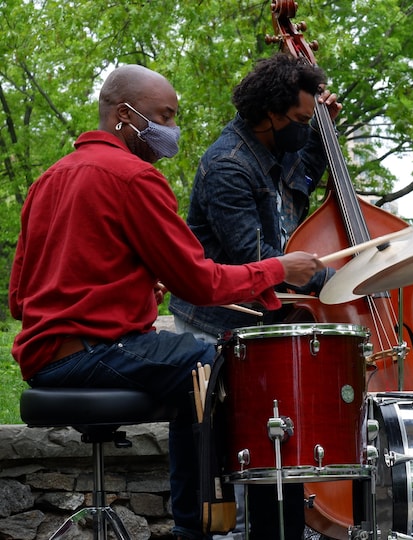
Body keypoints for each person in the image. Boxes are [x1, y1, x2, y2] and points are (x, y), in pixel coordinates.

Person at [8, 64, 324, 540]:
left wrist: (130, 287)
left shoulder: (47, 181)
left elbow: (19, 299)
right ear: (124, 116)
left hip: (44, 361)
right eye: (165, 116)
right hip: (93, 353)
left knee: (190, 371)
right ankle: (246, 531)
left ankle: (193, 525)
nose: (172, 131)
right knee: (231, 368)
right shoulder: (134, 178)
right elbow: (198, 281)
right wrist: (280, 269)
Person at [168, 53, 342, 540]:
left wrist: (325, 136)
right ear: (270, 113)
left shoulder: (276, 145)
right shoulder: (228, 165)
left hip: (260, 320)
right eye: (302, 121)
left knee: (270, 445)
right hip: (215, 320)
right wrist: (328, 280)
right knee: (231, 449)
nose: (304, 129)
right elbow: (255, 259)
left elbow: (302, 183)